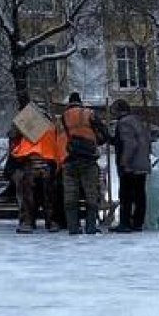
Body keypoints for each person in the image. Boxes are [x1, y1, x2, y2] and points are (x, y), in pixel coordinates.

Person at [9, 110, 65, 234]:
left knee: (27, 195)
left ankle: (27, 222)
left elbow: (13, 137)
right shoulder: (51, 127)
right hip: (47, 162)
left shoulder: (26, 127)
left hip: (29, 162)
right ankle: (51, 222)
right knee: (48, 194)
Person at [61, 92, 109, 235]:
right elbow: (104, 134)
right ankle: (90, 227)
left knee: (70, 195)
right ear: (80, 102)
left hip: (70, 160)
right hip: (88, 160)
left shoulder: (64, 116)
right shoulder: (89, 113)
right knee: (91, 194)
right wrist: (96, 139)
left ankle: (73, 228)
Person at [111, 99, 152, 233]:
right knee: (140, 194)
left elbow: (129, 144)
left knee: (126, 195)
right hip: (142, 163)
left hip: (131, 165)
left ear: (119, 110)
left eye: (113, 111)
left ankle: (125, 223)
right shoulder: (138, 121)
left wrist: (124, 161)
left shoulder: (124, 123)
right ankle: (138, 223)